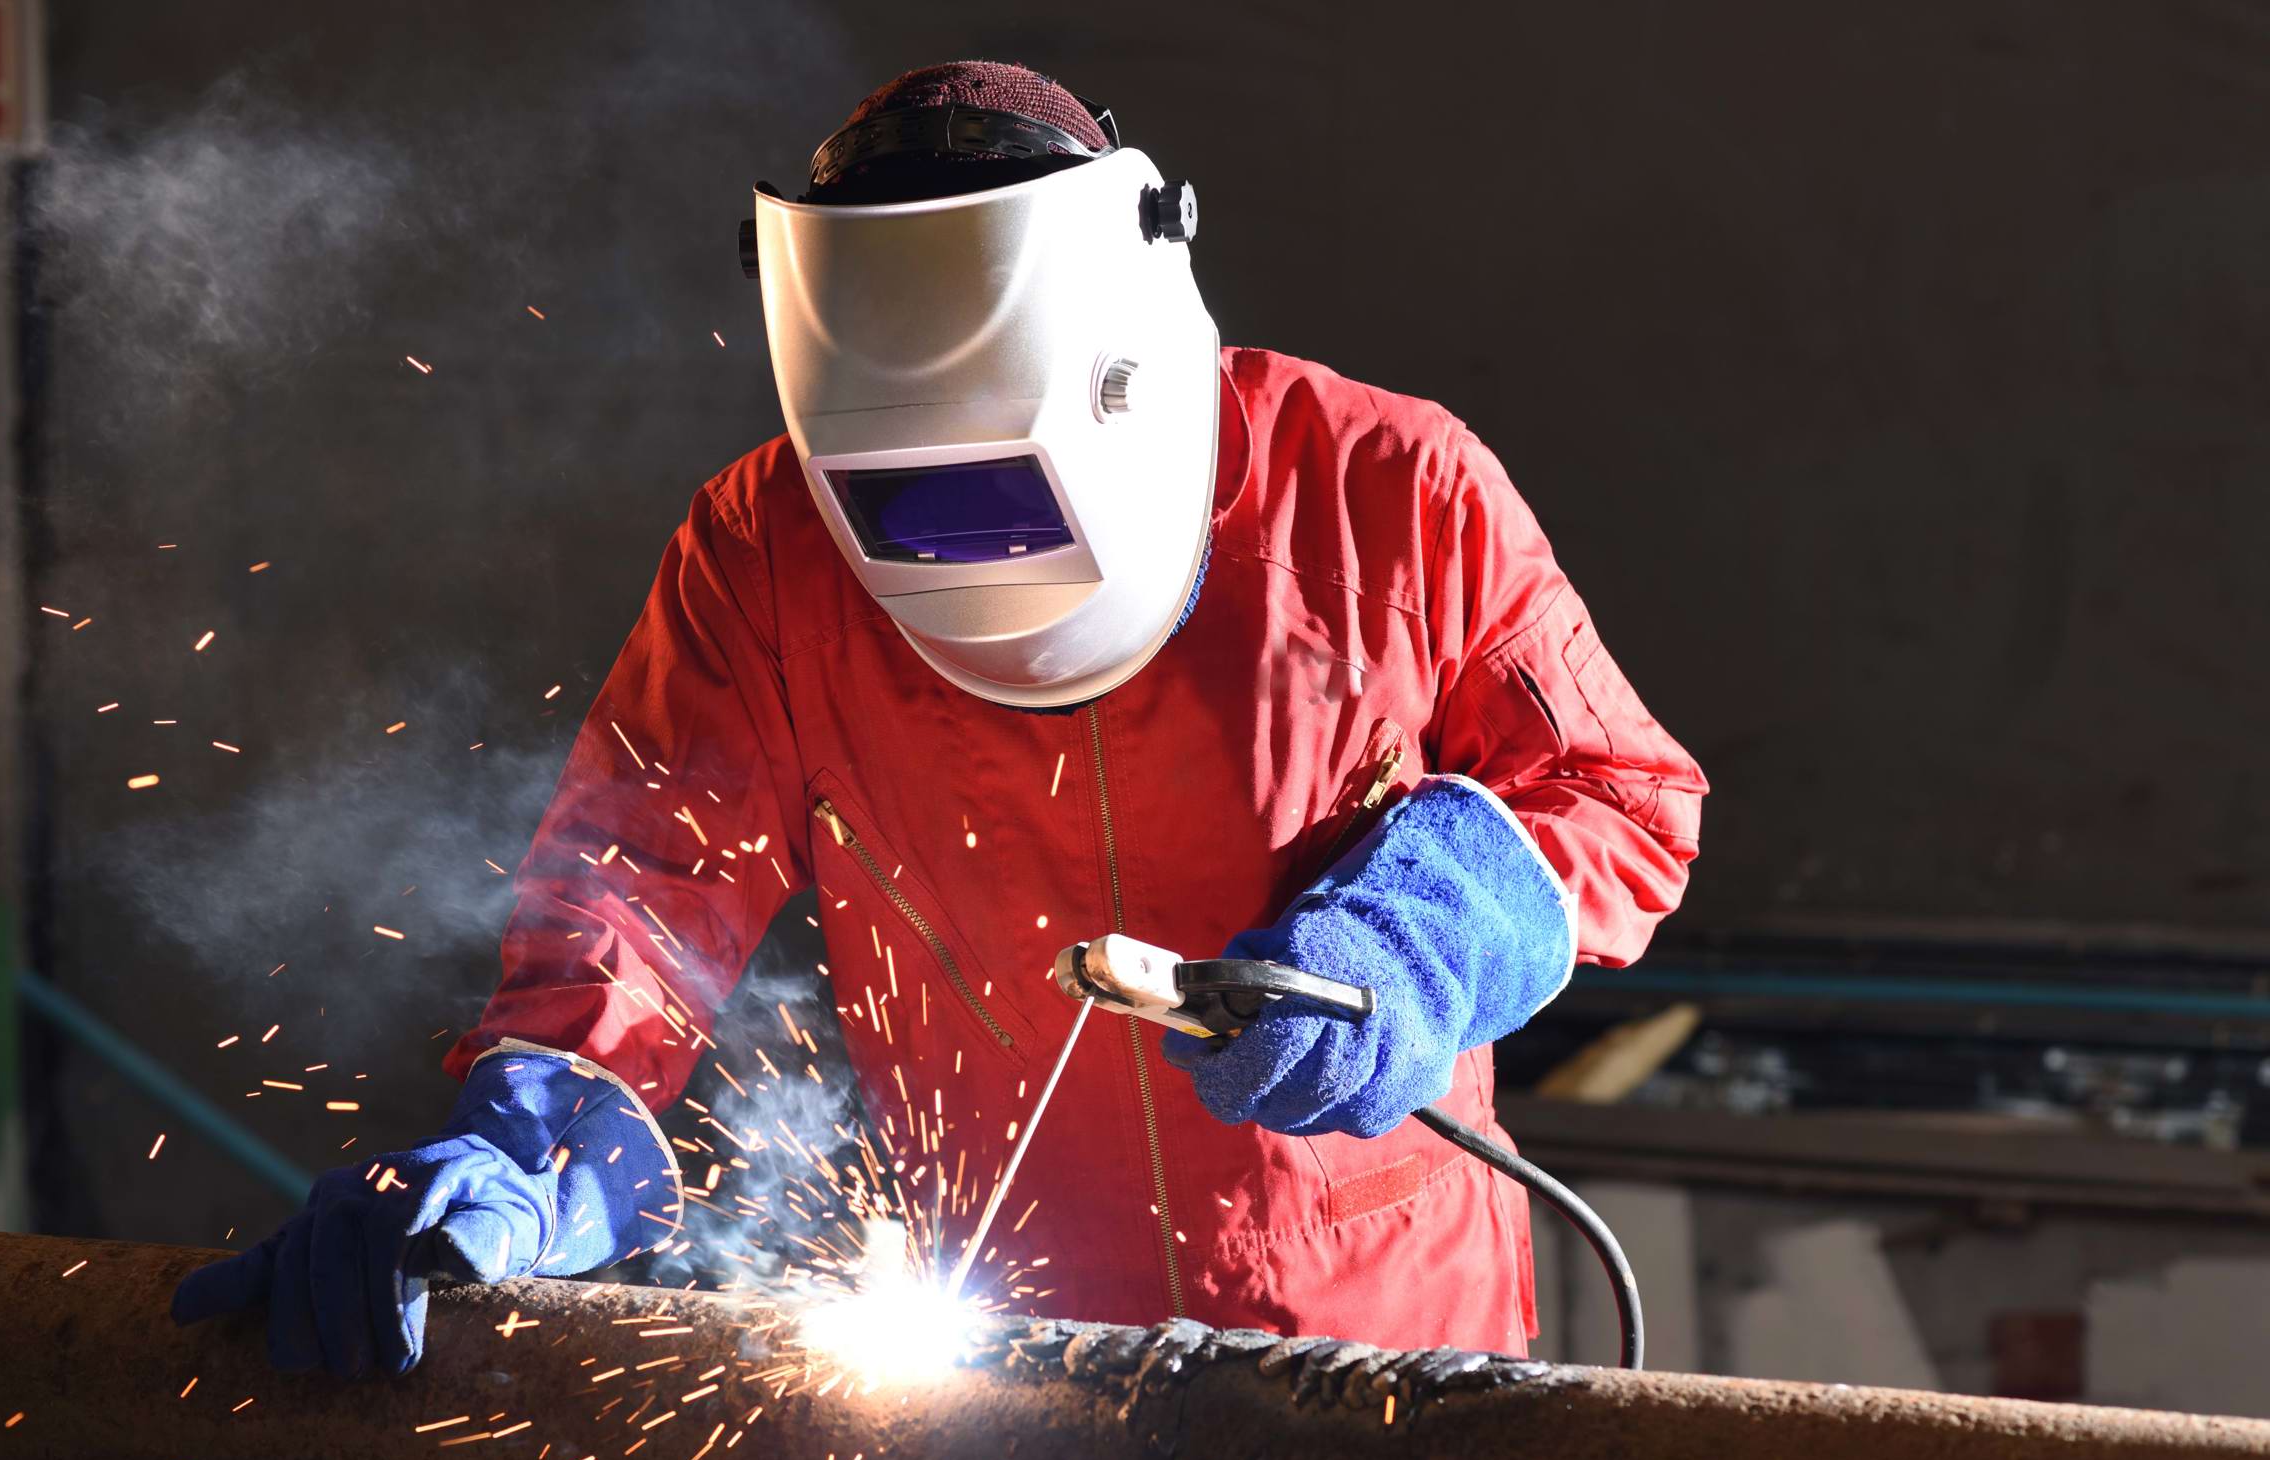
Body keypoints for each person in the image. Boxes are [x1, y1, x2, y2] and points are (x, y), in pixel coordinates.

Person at [173, 61, 1706, 1375]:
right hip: (1013, 1349)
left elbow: (1620, 793)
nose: (975, 557)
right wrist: (528, 1143)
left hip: (1384, 1332)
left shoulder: (1385, 486)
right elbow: (643, 893)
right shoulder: (765, 549)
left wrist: (1412, 954)